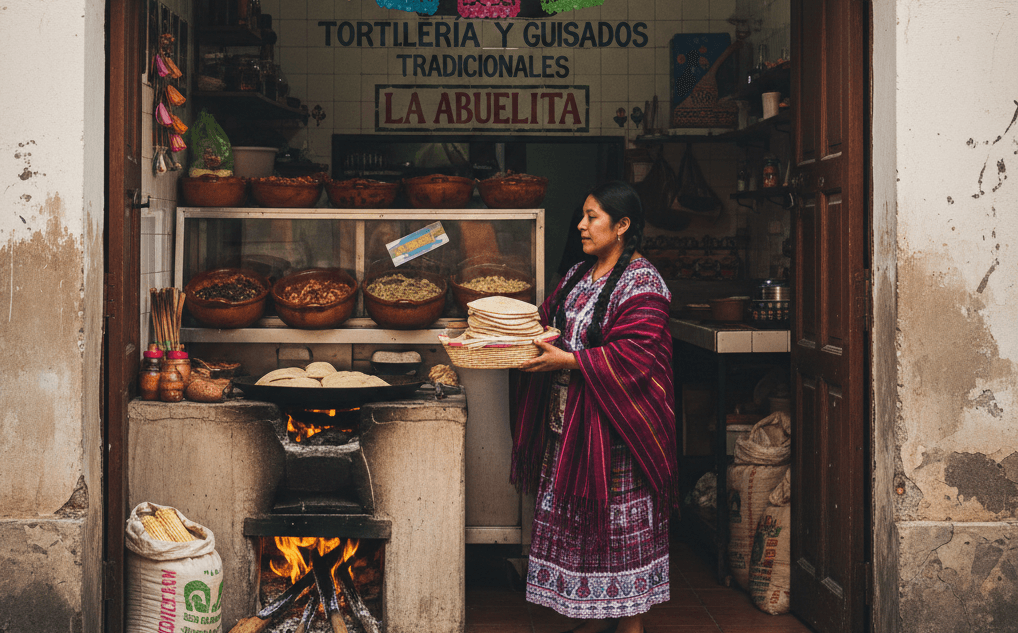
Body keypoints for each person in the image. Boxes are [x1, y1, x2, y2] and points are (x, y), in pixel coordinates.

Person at [513, 181, 677, 633]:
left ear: (622, 225)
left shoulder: (643, 282)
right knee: (586, 533)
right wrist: (501, 329)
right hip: (568, 429)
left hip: (617, 433)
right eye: (582, 216)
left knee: (619, 533)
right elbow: (546, 321)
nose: (581, 226)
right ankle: (597, 617)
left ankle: (630, 624)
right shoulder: (577, 276)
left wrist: (568, 360)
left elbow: (636, 355)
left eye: (593, 217)